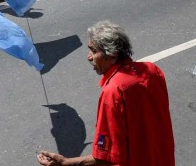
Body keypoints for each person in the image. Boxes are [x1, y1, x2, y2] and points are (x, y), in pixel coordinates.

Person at [37, 21, 175, 166]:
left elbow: (105, 157)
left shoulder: (113, 92)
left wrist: (66, 162)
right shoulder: (153, 70)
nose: (89, 57)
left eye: (94, 51)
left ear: (112, 55)